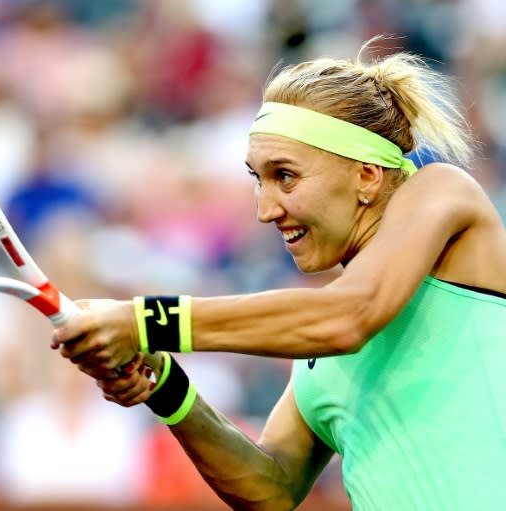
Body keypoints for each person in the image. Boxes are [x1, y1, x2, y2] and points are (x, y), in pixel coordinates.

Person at [51, 39, 506, 511]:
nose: (266, 209)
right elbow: (271, 488)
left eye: (285, 176)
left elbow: (350, 315)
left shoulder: (442, 190)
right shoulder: (316, 344)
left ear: (367, 175)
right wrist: (163, 381)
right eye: (257, 178)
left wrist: (144, 320)